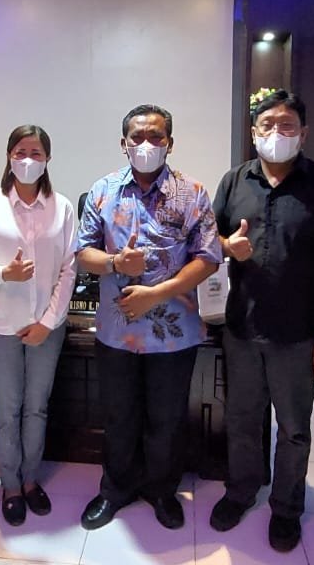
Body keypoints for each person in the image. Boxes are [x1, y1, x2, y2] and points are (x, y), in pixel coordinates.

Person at [209, 90, 314, 552]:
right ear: (253, 132)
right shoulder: (234, 181)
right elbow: (209, 241)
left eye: (287, 125)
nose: (277, 133)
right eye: (267, 125)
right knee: (242, 419)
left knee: (293, 428)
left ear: (303, 133)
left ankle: (287, 507)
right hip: (242, 327)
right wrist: (227, 247)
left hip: (298, 333)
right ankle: (241, 491)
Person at [76, 104, 222, 531]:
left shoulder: (192, 192)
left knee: (167, 420)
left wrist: (156, 294)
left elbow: (208, 257)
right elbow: (82, 252)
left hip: (174, 336)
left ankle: (162, 491)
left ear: (169, 143)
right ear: (123, 143)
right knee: (119, 417)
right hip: (116, 333)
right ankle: (115, 490)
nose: (146, 144)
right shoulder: (103, 190)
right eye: (136, 137)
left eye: (156, 136)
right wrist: (116, 263)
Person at [0, 125, 76, 526]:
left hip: (47, 327)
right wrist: (2, 274)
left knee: (37, 408)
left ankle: (30, 480)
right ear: (9, 156)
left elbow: (69, 269)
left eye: (36, 153)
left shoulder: (62, 207)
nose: (28, 160)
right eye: (21, 152)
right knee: (7, 409)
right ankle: (10, 486)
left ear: (48, 159)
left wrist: (48, 322)